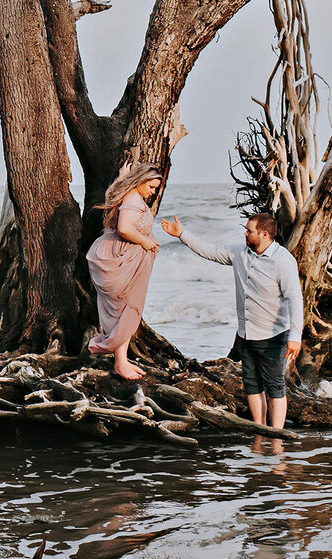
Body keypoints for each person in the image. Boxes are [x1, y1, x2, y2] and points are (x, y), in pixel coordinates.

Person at [159, 211, 302, 431]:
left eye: (249, 230)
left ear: (264, 234)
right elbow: (211, 252)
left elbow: (295, 298)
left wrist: (295, 336)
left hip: (274, 335)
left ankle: (277, 434)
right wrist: (182, 234)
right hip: (246, 334)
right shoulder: (240, 253)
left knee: (275, 386)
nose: (244, 233)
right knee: (252, 385)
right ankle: (259, 430)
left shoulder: (283, 260)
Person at [86, 163, 164, 380]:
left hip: (118, 258)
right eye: (151, 186)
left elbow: (111, 194)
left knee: (122, 311)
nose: (153, 192)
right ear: (139, 182)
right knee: (125, 310)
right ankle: (120, 362)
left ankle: (122, 360)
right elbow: (124, 229)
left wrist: (122, 178)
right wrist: (145, 241)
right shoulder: (132, 200)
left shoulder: (126, 194)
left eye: (156, 188)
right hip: (119, 261)